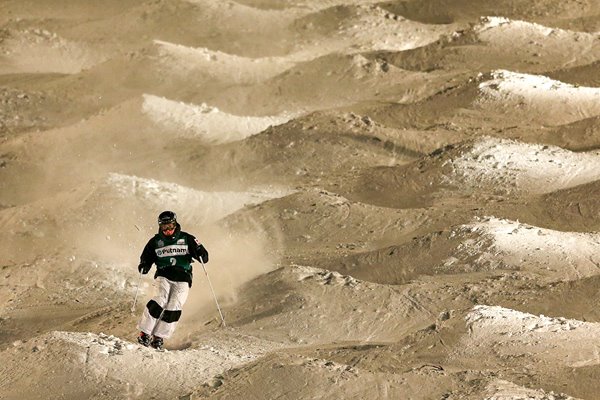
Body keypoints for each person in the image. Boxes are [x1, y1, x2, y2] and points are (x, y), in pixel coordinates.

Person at [136, 210, 209, 350]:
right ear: (160, 227)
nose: (168, 230)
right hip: (164, 275)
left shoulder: (187, 238)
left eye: (170, 226)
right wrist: (144, 265)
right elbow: (146, 257)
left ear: (175, 224)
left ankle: (159, 336)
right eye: (164, 227)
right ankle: (144, 333)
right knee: (160, 300)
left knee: (175, 305)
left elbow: (204, 256)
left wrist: (201, 254)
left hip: (183, 277)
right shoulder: (156, 241)